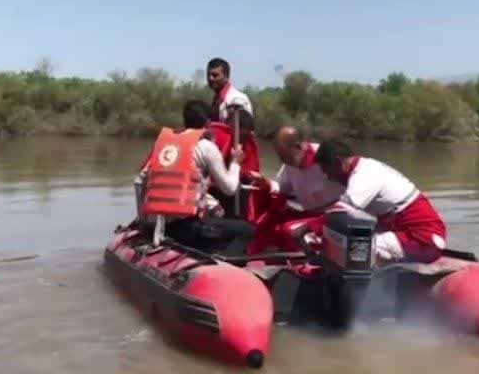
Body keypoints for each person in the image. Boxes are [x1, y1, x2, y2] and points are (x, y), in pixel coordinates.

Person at [134, 100, 254, 254]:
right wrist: (236, 162)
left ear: (185, 120)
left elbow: (141, 180)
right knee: (248, 230)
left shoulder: (164, 143)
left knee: (214, 217)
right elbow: (230, 189)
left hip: (155, 225)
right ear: (208, 123)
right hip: (183, 229)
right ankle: (223, 263)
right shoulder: (206, 147)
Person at [314, 139, 448, 265]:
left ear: (338, 162)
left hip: (421, 238)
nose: (328, 177)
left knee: (355, 249)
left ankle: (356, 287)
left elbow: (339, 213)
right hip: (403, 232)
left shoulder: (364, 174)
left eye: (327, 171)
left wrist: (307, 227)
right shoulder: (365, 168)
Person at [244, 126, 346, 254]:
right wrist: (265, 184)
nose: (283, 161)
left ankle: (305, 263)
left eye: (285, 157)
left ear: (299, 147)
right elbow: (282, 193)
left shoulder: (325, 157)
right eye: (280, 157)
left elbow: (350, 183)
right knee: (264, 225)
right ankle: (254, 255)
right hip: (308, 212)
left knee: (289, 230)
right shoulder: (288, 165)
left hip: (331, 216)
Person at [206, 57, 253, 124]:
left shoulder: (238, 99)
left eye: (215, 75)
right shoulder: (216, 100)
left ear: (226, 77)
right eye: (208, 75)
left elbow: (242, 130)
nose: (210, 78)